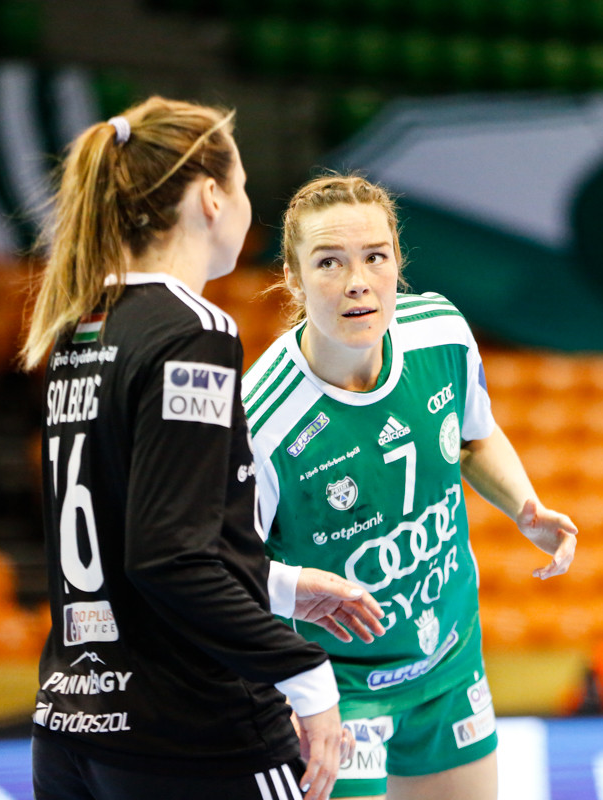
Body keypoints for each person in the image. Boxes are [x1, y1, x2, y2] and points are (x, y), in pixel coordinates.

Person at [20, 98, 381, 800]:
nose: (247, 203)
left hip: (71, 729)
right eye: (243, 184)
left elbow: (135, 536)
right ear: (212, 197)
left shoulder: (83, 324)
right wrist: (306, 674)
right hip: (189, 732)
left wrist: (280, 586)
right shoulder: (193, 331)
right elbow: (169, 558)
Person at [243, 174, 579, 800]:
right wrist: (279, 687)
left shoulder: (442, 333)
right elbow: (229, 573)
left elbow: (476, 439)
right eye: (329, 262)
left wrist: (523, 505)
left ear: (398, 262)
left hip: (449, 660)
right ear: (292, 278)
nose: (358, 282)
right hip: (334, 687)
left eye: (375, 256)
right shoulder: (261, 419)